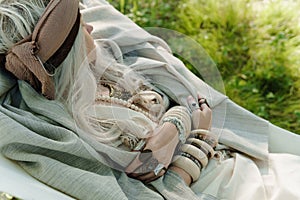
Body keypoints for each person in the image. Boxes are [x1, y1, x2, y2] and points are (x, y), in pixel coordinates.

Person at [0, 0, 300, 200]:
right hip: (227, 188)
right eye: (81, 26)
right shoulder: (78, 124)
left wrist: (175, 127)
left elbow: (161, 150)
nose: (91, 26)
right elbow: (155, 182)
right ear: (71, 49)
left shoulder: (101, 71)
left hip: (242, 161)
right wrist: (200, 138)